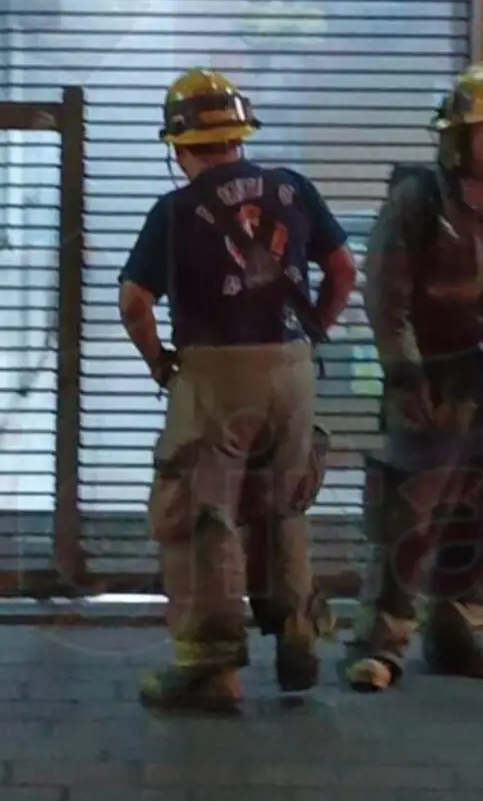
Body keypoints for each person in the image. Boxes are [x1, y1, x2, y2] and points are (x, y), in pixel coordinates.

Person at [118, 67, 360, 713]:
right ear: (239, 134)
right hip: (292, 369)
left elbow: (134, 301)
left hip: (215, 375)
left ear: (179, 144)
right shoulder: (293, 187)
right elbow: (343, 268)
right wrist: (314, 332)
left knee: (204, 514)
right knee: (282, 505)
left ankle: (212, 670)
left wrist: (159, 363)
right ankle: (297, 634)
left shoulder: (174, 210)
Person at [342, 60, 483, 693]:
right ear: (459, 136)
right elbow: (385, 294)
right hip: (430, 381)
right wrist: (403, 371)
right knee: (409, 516)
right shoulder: (419, 198)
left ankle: (457, 632)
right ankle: (379, 644)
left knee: (482, 515)